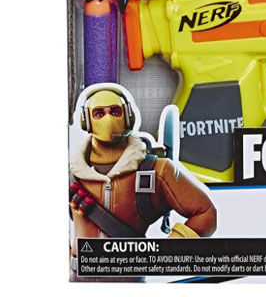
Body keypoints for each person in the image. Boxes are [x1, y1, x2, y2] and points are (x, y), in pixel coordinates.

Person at [69, 87, 217, 282]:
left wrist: (166, 253)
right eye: (99, 113)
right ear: (86, 121)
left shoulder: (157, 170)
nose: (108, 119)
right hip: (78, 277)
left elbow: (206, 213)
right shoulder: (72, 174)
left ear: (128, 116)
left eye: (115, 112)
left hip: (128, 279)